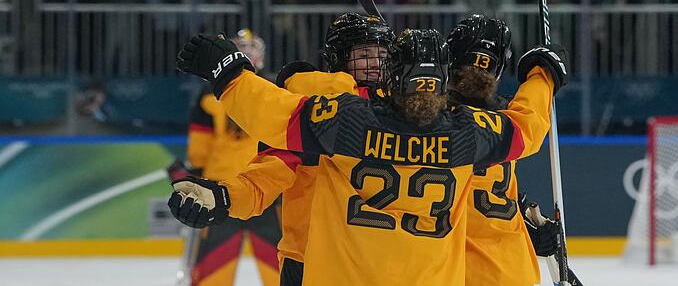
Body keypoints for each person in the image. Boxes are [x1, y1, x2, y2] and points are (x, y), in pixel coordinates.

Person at [169, 28, 568, 286]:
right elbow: (526, 128)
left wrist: (232, 73)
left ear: (393, 76)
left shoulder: (347, 121)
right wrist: (542, 76)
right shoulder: (467, 130)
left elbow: (273, 114)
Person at [211, 13, 394, 286]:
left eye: (383, 55)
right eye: (365, 54)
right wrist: (223, 196)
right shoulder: (313, 115)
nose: (376, 64)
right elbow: (268, 174)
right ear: (339, 58)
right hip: (311, 260)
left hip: (378, 263)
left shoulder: (403, 114)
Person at [447, 14, 577, 285]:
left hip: (456, 271)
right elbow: (526, 124)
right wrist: (543, 76)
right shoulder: (505, 118)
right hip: (509, 271)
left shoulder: (428, 123)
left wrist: (524, 223)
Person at [170, 29, 282, 286]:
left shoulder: (274, 91)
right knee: (213, 268)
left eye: (252, 47)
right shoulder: (212, 96)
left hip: (267, 190)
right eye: (243, 47)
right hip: (221, 189)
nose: (248, 52)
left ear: (261, 57)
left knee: (279, 264)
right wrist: (196, 173)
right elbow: (201, 143)